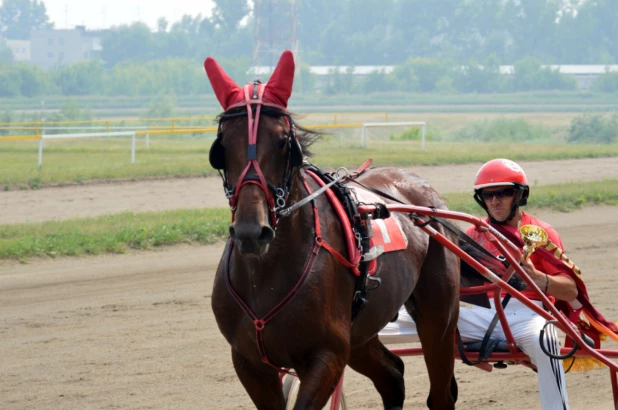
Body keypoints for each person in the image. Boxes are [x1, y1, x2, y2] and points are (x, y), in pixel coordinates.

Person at [380, 158, 577, 410]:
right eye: (488, 194)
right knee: (373, 324)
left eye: (504, 193)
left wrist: (539, 278)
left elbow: (570, 289)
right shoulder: (474, 233)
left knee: (547, 340)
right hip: (475, 312)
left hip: (525, 315)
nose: (495, 201)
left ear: (519, 195)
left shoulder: (541, 233)